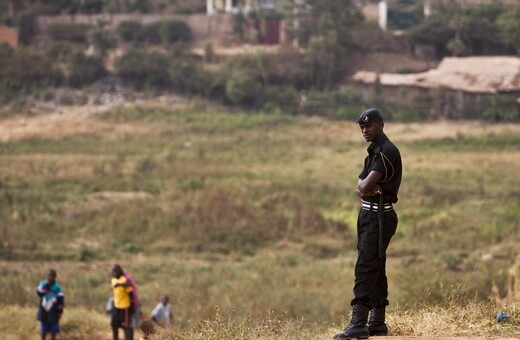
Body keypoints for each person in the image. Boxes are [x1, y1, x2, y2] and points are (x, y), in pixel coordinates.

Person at [334, 108, 402, 339]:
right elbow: (360, 185)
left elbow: (362, 187)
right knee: (376, 265)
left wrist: (365, 187)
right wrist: (365, 187)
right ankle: (377, 321)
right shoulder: (374, 152)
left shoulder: (386, 151)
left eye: (369, 125)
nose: (364, 130)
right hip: (369, 215)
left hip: (379, 216)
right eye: (362, 127)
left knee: (365, 266)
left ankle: (358, 324)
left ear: (381, 125)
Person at [36, 269, 64, 340]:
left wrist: (60, 311)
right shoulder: (42, 284)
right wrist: (47, 285)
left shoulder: (57, 287)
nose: (51, 277)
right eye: (49, 275)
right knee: (44, 328)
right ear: (47, 276)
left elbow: (61, 300)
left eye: (52, 276)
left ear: (55, 277)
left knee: (53, 329)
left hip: (53, 310)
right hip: (44, 309)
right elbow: (39, 293)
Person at [111, 264, 135, 340]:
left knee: (126, 327)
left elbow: (131, 294)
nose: (114, 273)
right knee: (114, 325)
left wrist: (132, 306)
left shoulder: (124, 280)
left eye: (115, 271)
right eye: (113, 271)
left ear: (119, 271)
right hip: (116, 306)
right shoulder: (113, 280)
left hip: (124, 307)